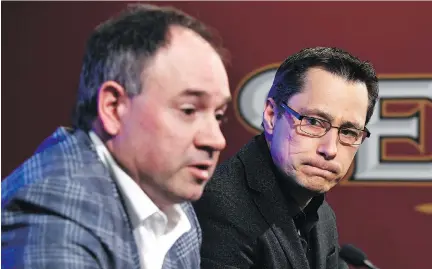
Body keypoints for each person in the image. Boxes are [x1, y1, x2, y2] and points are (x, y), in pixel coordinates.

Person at [2, 4, 231, 269]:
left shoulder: (176, 211)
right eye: (189, 110)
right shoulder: (53, 209)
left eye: (218, 116)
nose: (216, 140)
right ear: (113, 108)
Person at [193, 47, 379, 269]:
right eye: (313, 122)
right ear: (271, 116)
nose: (330, 149)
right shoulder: (221, 207)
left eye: (348, 132)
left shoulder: (322, 215)